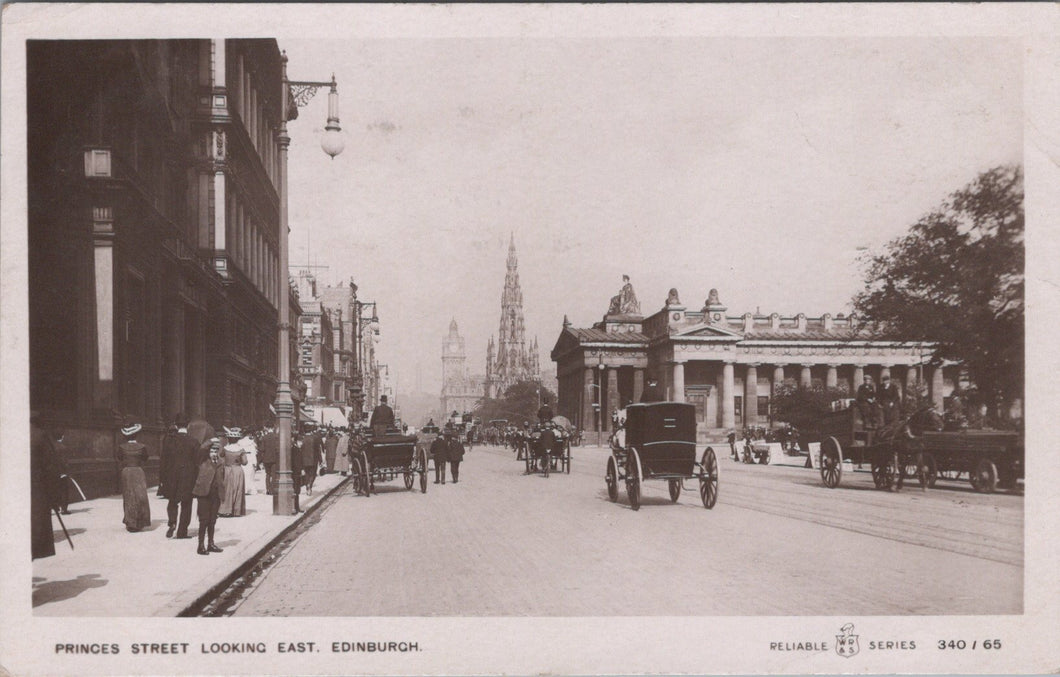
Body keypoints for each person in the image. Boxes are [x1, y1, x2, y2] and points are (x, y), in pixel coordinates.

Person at [31, 416, 65, 559]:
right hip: (36, 490)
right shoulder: (39, 435)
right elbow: (50, 468)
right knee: (34, 534)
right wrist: (54, 497)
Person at [162, 413, 200, 539]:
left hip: (172, 476)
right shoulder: (194, 442)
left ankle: (172, 522)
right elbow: (197, 462)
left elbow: (163, 461)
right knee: (186, 504)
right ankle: (182, 531)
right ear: (188, 425)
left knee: (172, 501)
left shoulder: (168, 440)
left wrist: (162, 479)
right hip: (188, 477)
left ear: (176, 425)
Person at [192, 432, 225, 555]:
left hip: (215, 494)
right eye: (211, 451)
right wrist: (211, 440)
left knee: (212, 520)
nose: (214, 454)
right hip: (203, 493)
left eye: (215, 451)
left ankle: (210, 543)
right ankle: (200, 546)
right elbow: (202, 449)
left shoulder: (220, 462)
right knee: (203, 520)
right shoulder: (202, 460)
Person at [118, 418, 151, 532]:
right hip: (138, 471)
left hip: (126, 472)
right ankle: (140, 521)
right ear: (137, 435)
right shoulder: (142, 447)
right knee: (140, 496)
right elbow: (145, 458)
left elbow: (120, 458)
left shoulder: (121, 447)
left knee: (128, 495)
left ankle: (130, 521)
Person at [218, 427, 247, 517]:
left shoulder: (225, 448)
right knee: (238, 489)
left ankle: (225, 509)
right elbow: (245, 462)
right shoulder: (241, 449)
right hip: (237, 470)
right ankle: (236, 510)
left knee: (227, 489)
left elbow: (221, 456)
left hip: (227, 470)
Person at [301, 426, 322, 496]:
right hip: (313, 459)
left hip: (304, 460)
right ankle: (310, 484)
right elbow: (318, 450)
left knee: (306, 474)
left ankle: (307, 485)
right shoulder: (315, 438)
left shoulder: (302, 439)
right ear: (311, 431)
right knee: (313, 474)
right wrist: (320, 460)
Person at [259, 426, 279, 495]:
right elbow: (277, 448)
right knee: (274, 474)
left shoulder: (264, 437)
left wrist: (262, 459)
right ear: (273, 428)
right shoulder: (276, 437)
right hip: (274, 459)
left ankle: (267, 489)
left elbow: (262, 449)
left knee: (267, 474)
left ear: (267, 428)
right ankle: (272, 490)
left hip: (266, 459)